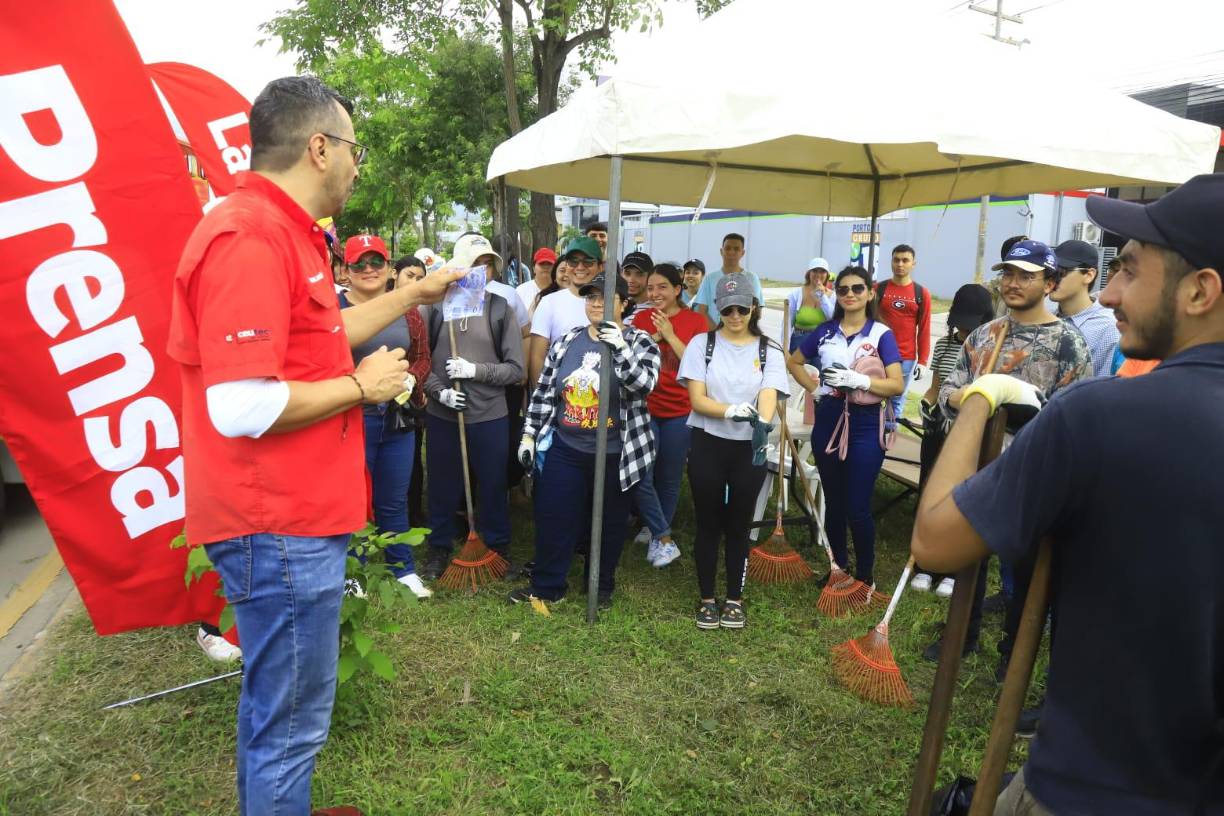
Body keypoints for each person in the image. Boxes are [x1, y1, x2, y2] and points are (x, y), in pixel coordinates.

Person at [167, 75, 462, 816]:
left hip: (292, 518)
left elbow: (318, 339)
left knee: (278, 712)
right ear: (320, 146)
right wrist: (360, 389)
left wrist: (408, 296)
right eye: (354, 150)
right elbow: (239, 404)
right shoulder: (250, 236)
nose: (358, 167)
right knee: (291, 726)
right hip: (277, 525)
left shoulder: (282, 230)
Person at [912, 174, 1224, 816]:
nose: (1108, 291)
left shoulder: (1098, 414)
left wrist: (979, 400)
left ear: (1201, 291)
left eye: (1131, 272)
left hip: (1092, 786)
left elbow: (935, 542)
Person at [924, 239, 1093, 664]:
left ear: (1050, 283)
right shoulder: (985, 335)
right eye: (1008, 274)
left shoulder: (1067, 344)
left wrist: (1026, 408)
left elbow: (1075, 417)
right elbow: (946, 389)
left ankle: (1012, 653)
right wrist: (976, 397)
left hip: (1032, 472)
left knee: (1024, 569)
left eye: (1026, 276)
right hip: (977, 464)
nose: (1013, 283)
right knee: (970, 558)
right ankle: (962, 635)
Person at [513, 273, 660, 608]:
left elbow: (643, 386)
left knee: (609, 523)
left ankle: (601, 585)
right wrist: (529, 434)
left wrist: (619, 348)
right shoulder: (568, 340)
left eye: (606, 298)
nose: (597, 303)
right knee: (555, 516)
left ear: (624, 304)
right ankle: (549, 586)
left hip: (616, 453)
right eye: (591, 297)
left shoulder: (641, 342)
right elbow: (546, 393)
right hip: (567, 447)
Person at [678, 273, 789, 630]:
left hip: (749, 445)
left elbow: (770, 392)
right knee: (709, 521)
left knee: (739, 523)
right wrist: (728, 410)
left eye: (742, 308)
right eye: (728, 309)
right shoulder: (701, 345)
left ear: (754, 307)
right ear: (719, 309)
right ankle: (707, 597)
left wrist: (762, 421)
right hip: (709, 440)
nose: (735, 315)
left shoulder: (768, 350)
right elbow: (696, 398)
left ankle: (735, 598)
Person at [786, 266, 904, 594]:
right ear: (835, 294)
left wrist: (862, 381)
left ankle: (865, 575)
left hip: (866, 422)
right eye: (843, 290)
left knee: (857, 504)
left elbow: (896, 384)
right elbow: (793, 361)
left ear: (869, 293)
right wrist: (815, 389)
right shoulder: (825, 332)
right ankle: (838, 567)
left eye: (857, 288)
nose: (849, 294)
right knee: (834, 501)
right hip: (830, 416)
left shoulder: (881, 333)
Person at [419, 252, 525, 580]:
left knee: (493, 483)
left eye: (486, 263)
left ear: (492, 269)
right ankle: (439, 545)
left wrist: (475, 370)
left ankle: (497, 546)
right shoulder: (434, 307)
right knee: (442, 483)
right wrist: (441, 392)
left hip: (489, 415)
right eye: (470, 263)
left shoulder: (498, 309)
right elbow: (420, 361)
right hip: (443, 414)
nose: (477, 271)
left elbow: (516, 370)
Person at [338, 233, 433, 598]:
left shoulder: (405, 309)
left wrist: (412, 377)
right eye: (359, 263)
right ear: (346, 270)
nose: (368, 269)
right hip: (351, 417)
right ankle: (353, 570)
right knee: (351, 497)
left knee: (394, 496)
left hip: (397, 416)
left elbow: (423, 356)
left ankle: (402, 567)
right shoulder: (334, 310)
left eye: (376, 261)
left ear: (389, 267)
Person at [908, 283, 994, 598]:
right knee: (930, 493)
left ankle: (953, 570)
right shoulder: (945, 345)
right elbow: (934, 387)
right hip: (937, 431)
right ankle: (925, 564)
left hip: (967, 437)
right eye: (959, 320)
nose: (964, 327)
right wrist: (927, 406)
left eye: (971, 321)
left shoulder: (989, 351)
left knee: (960, 501)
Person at [630, 262, 708, 567]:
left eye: (662, 286)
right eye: (651, 287)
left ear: (678, 289)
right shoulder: (639, 318)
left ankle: (654, 532)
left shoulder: (696, 321)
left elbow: (698, 366)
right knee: (642, 473)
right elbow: (632, 359)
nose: (655, 292)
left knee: (670, 475)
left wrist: (670, 334)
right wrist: (655, 338)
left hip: (680, 410)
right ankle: (659, 529)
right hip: (644, 408)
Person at [528, 236, 602, 385]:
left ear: (600, 267)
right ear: (567, 265)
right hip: (559, 395)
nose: (580, 267)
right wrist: (543, 400)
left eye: (587, 261)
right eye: (573, 261)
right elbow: (537, 357)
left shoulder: (612, 303)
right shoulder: (549, 302)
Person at [874, 244, 931, 421]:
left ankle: (889, 439)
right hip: (877, 352)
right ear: (891, 262)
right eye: (896, 260)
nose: (900, 264)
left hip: (905, 357)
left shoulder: (921, 293)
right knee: (873, 396)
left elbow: (924, 328)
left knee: (896, 400)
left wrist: (922, 360)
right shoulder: (878, 289)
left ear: (913, 264)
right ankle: (871, 436)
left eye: (905, 260)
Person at [1051, 239, 1120, 376]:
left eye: (1061, 272)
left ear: (1089, 275)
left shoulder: (1107, 327)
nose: (1052, 278)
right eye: (1049, 271)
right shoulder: (1049, 319)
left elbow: (1102, 387)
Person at [692, 233, 764, 328]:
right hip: (715, 335)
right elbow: (701, 311)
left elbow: (756, 312)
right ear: (721, 251)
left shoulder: (752, 278)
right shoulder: (710, 279)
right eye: (728, 248)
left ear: (742, 253)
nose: (731, 252)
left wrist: (740, 334)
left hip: (742, 337)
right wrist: (718, 334)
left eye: (736, 249)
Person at [786, 257, 836, 352]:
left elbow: (832, 319)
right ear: (809, 273)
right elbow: (787, 324)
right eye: (814, 271)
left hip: (823, 343)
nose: (818, 275)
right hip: (799, 342)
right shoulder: (796, 294)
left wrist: (822, 296)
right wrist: (785, 349)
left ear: (827, 275)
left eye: (822, 272)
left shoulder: (833, 296)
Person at [517, 247, 557, 314]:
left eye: (549, 264)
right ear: (533, 268)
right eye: (542, 263)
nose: (546, 267)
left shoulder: (561, 290)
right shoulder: (521, 291)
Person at [620, 250, 653, 320]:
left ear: (650, 277)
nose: (631, 280)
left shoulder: (658, 310)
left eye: (639, 274)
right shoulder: (615, 306)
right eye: (627, 273)